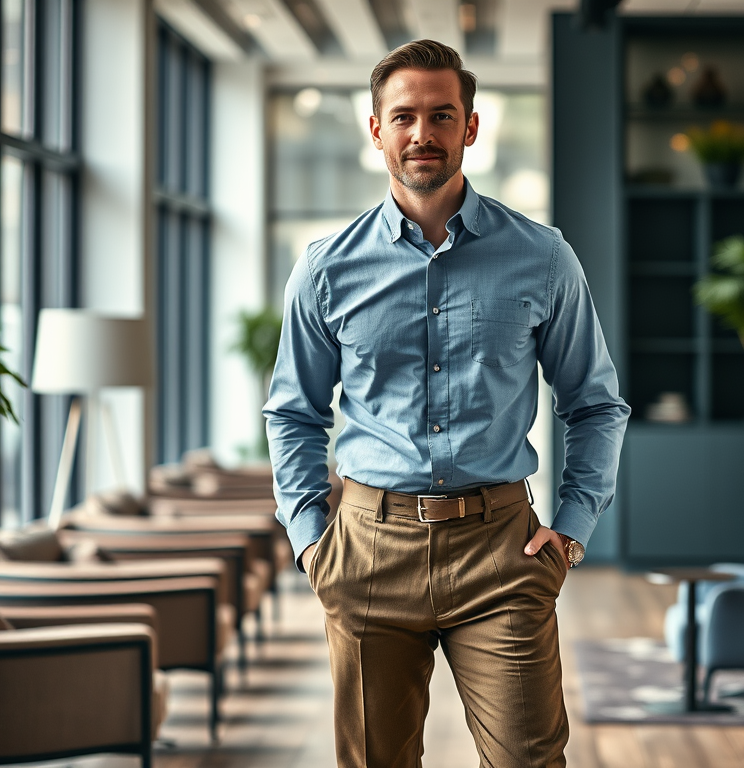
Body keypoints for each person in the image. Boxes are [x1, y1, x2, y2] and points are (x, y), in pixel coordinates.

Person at [263, 39, 629, 768]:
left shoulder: (544, 257)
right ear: (376, 130)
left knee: (531, 759)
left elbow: (594, 403)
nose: (421, 134)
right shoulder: (326, 267)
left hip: (502, 550)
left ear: (470, 127)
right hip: (367, 551)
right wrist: (311, 539)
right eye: (403, 117)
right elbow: (293, 411)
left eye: (441, 115)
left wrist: (574, 526)